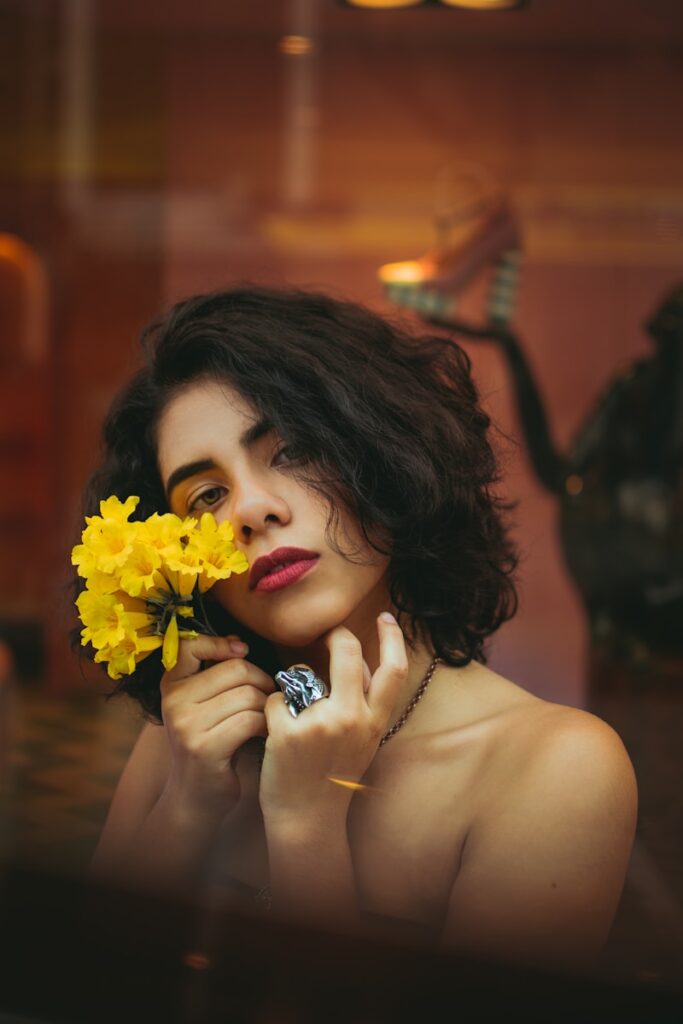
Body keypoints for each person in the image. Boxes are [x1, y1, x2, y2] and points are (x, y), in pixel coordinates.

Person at [71, 285, 637, 975]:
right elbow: (83, 986)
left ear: (381, 455)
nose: (251, 510)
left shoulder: (556, 771)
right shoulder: (187, 739)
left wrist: (308, 824)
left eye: (293, 452)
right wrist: (186, 807)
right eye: (206, 496)